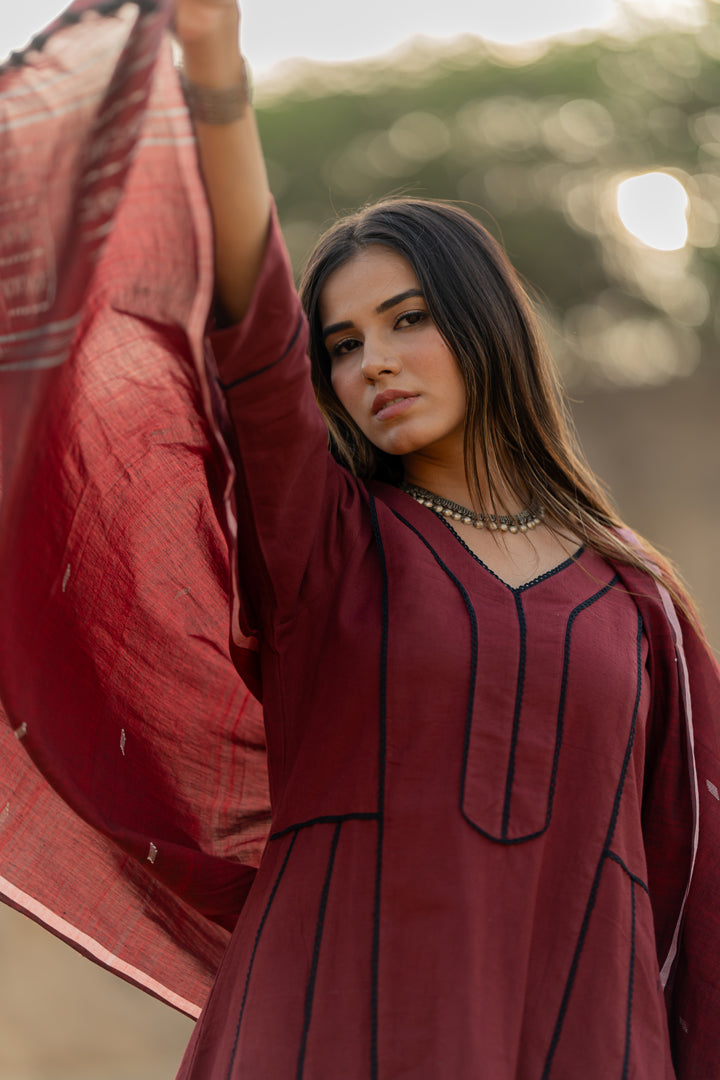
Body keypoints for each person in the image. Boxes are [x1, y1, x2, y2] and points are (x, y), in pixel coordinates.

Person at [1, 0, 719, 1077]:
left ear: (487, 328)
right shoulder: (330, 542)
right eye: (344, 343)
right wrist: (214, 62)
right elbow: (256, 332)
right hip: (330, 1024)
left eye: (409, 320)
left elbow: (697, 887)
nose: (371, 362)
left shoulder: (637, 600)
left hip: (581, 1033)